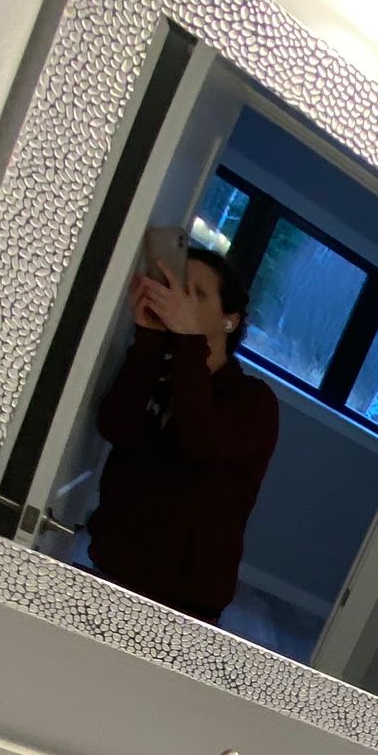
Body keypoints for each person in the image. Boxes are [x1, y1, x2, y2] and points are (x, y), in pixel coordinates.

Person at [85, 244, 279, 623]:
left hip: (186, 600)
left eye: (198, 294)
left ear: (229, 320)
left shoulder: (255, 402)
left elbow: (199, 441)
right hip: (112, 567)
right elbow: (114, 427)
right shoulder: (158, 369)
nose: (181, 301)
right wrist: (148, 339)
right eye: (177, 289)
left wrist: (189, 341)